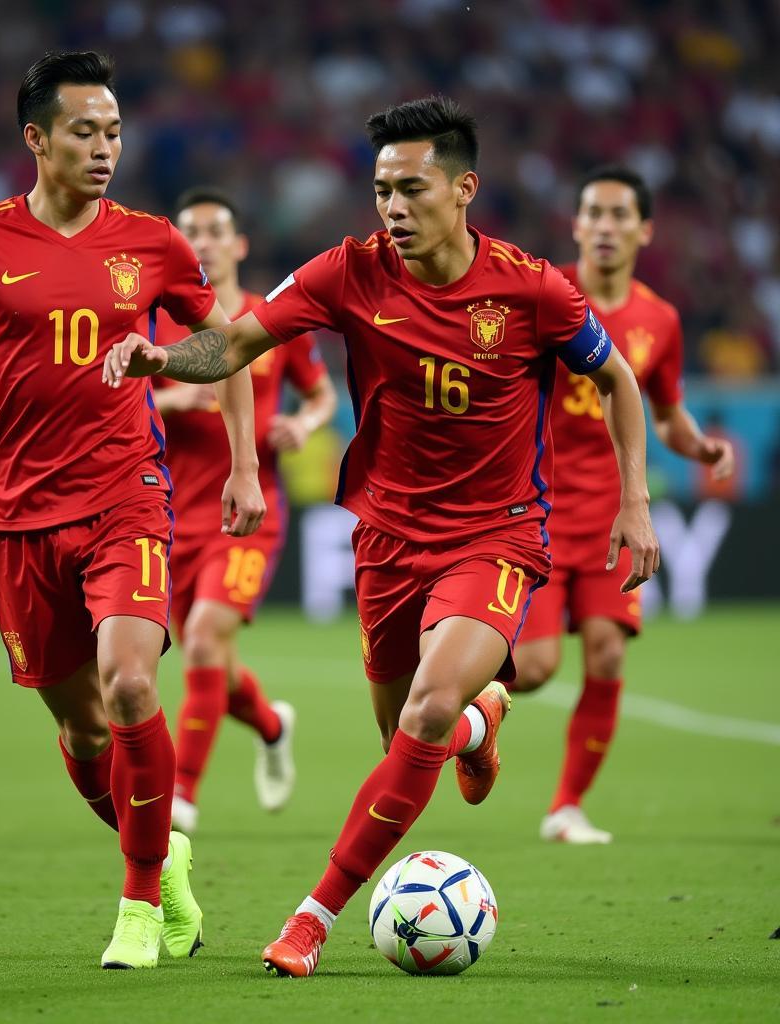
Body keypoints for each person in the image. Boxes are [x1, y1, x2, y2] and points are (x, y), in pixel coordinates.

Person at [103, 96, 660, 977]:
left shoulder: (531, 287)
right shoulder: (347, 272)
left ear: (464, 188)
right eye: (380, 191)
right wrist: (163, 358)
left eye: (411, 189)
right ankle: (483, 727)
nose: (392, 208)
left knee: (424, 712)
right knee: (410, 730)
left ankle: (313, 916)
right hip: (388, 542)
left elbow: (621, 380)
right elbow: (236, 342)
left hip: (497, 535)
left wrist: (636, 502)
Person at [0, 51, 267, 971]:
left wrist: (242, 467)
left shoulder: (153, 242)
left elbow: (224, 344)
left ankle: (141, 904)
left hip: (126, 495)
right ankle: (166, 855)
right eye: (84, 130)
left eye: (114, 131)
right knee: (80, 729)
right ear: (36, 138)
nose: (104, 147)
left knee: (130, 684)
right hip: (18, 517)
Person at [511, 166, 735, 844]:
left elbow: (664, 413)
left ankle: (566, 806)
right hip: (539, 508)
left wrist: (697, 446)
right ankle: (477, 720)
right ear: (576, 225)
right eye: (593, 214)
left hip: (614, 514)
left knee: (607, 655)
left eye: (618, 216)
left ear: (644, 230)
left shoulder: (659, 320)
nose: (605, 227)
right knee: (533, 668)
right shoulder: (546, 296)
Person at [148, 187, 337, 835]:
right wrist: (168, 404)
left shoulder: (268, 320)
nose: (202, 241)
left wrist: (304, 424)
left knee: (203, 639)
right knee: (214, 666)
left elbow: (321, 394)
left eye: (214, 230)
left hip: (248, 511)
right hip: (171, 517)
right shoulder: (155, 323)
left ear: (238, 244)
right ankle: (273, 724)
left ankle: (183, 796)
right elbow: (119, 399)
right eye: (190, 231)